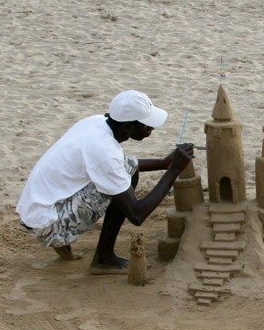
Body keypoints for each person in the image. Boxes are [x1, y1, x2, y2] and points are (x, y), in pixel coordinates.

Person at [16, 90, 194, 275]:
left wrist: (164, 164)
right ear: (127, 127)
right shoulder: (104, 151)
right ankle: (103, 258)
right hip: (47, 226)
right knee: (123, 177)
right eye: (147, 125)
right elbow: (137, 214)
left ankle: (69, 243)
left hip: (38, 209)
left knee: (123, 171)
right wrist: (174, 171)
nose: (152, 129)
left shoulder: (96, 122)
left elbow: (114, 163)